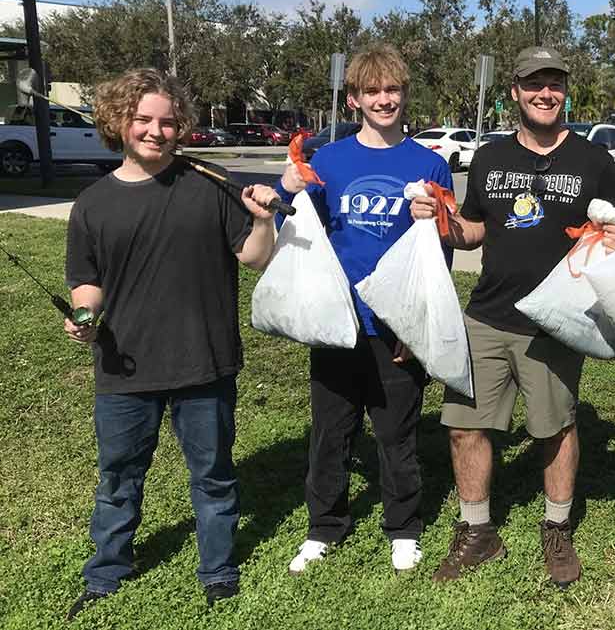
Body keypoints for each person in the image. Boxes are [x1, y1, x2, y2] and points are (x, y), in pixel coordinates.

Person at [410, 46, 615, 588]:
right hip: (487, 315)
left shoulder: (593, 161)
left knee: (554, 429)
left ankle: (557, 528)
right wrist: (442, 220)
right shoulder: (489, 158)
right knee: (465, 427)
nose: (545, 93)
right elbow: (473, 231)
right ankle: (478, 530)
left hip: (555, 320)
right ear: (514, 91)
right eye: (534, 83)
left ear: (564, 92)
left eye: (555, 83)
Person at [63, 68, 281, 619]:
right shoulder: (92, 203)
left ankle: (218, 571)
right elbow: (87, 279)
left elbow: (257, 257)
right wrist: (85, 312)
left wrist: (261, 221)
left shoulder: (209, 184)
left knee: (212, 476)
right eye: (142, 120)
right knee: (118, 477)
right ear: (118, 122)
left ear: (180, 125)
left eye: (166, 121)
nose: (155, 131)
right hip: (123, 368)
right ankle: (107, 570)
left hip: (203, 363)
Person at [275, 44, 454, 576]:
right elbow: (299, 228)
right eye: (372, 91)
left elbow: (439, 253)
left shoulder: (429, 164)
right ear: (354, 99)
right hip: (338, 319)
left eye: (392, 89)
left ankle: (403, 527)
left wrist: (415, 323)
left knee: (396, 432)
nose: (384, 99)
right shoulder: (329, 161)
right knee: (331, 430)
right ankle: (324, 526)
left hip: (395, 322)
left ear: (404, 94)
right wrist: (284, 189)